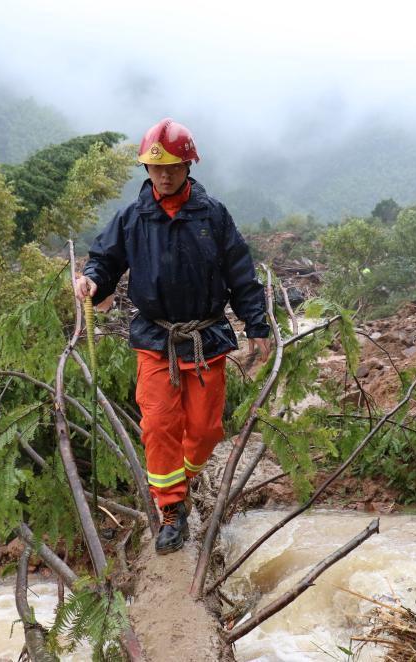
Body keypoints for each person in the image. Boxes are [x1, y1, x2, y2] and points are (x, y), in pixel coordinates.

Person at [75, 118, 270, 555]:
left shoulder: (212, 215)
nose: (164, 175)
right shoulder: (132, 218)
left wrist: (257, 324)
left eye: (174, 167)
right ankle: (170, 509)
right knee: (159, 424)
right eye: (155, 167)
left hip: (204, 338)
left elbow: (241, 273)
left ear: (189, 166)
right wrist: (90, 280)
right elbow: (104, 262)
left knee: (204, 431)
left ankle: (180, 481)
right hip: (155, 339)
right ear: (146, 168)